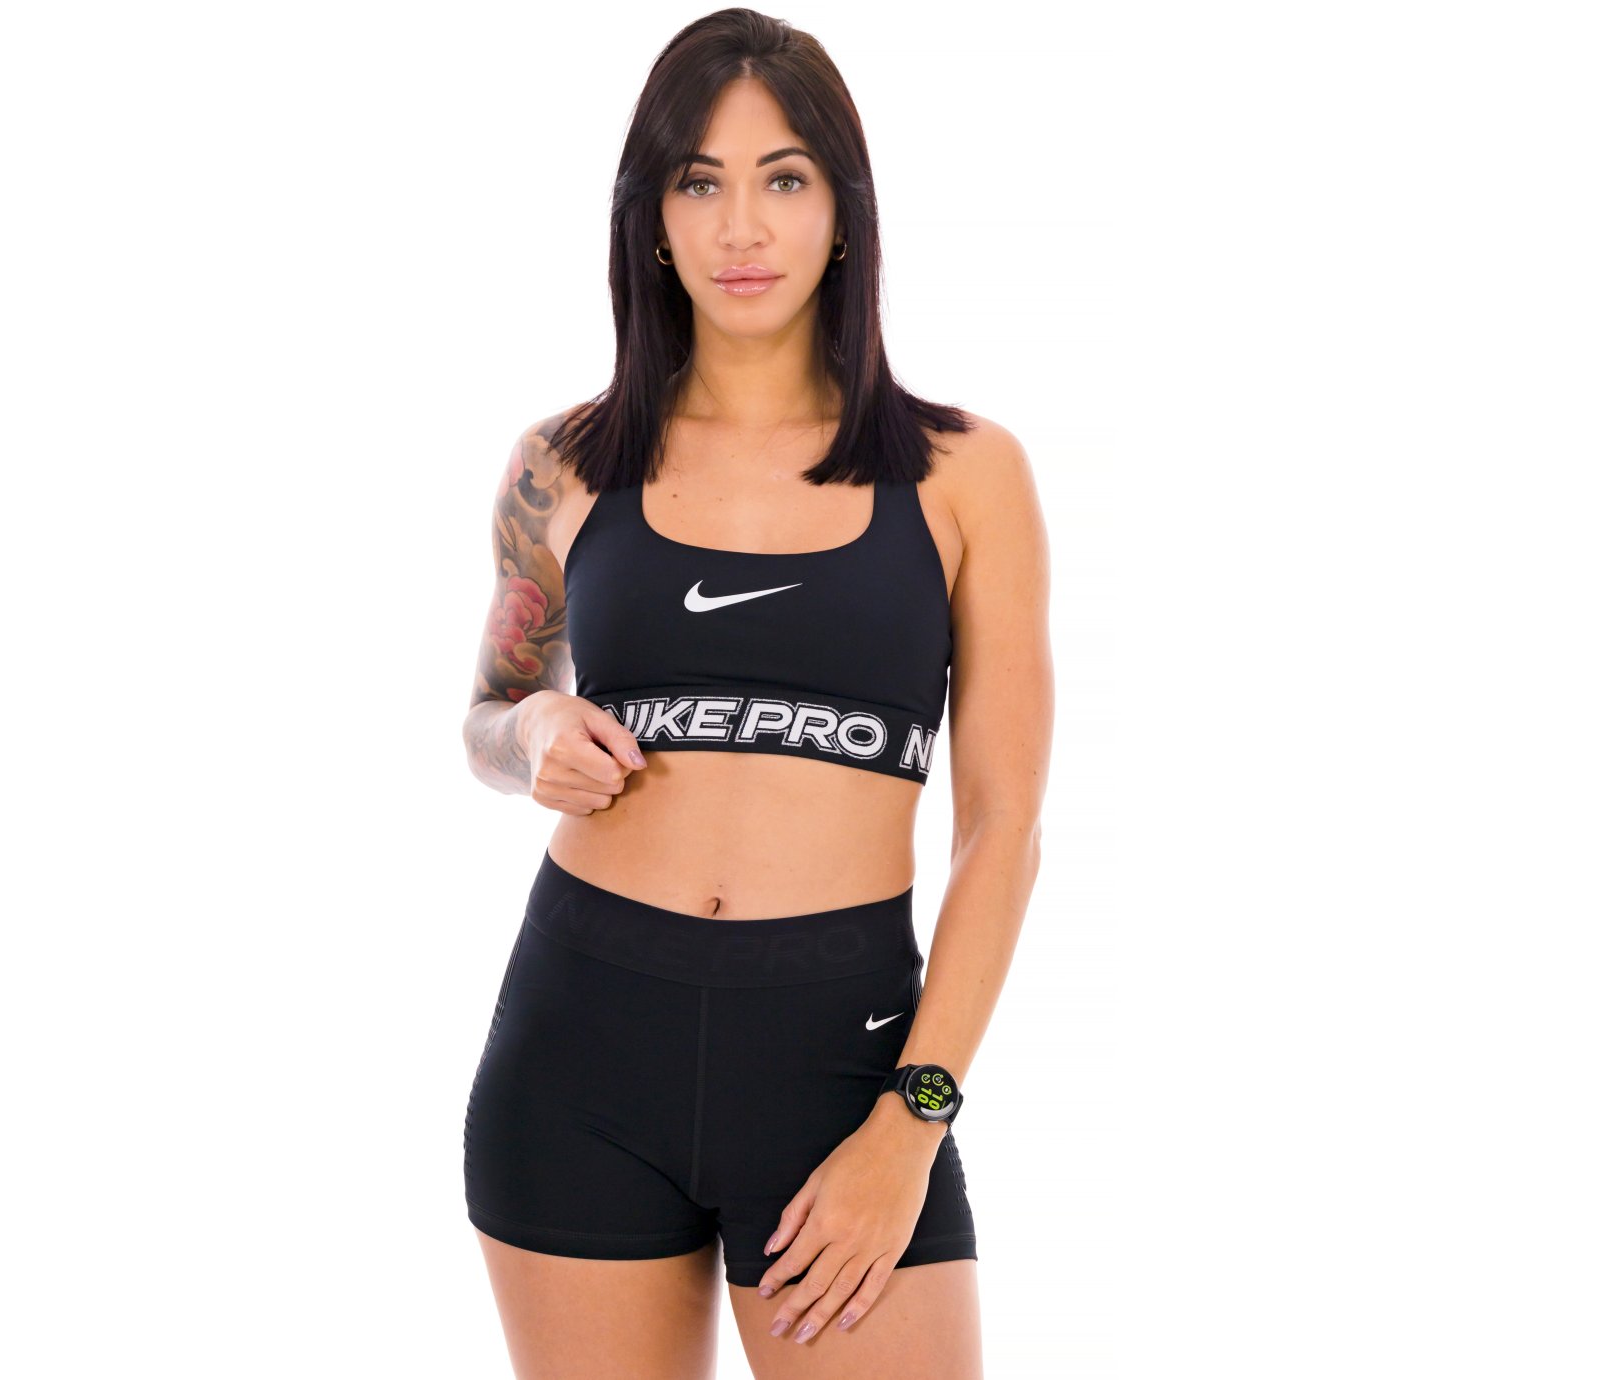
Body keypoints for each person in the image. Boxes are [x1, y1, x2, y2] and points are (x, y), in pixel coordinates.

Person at [458, 11, 1052, 1377]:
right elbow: (487, 712)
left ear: (842, 210)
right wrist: (533, 727)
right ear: (651, 216)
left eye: (783, 178)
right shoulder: (562, 463)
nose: (740, 227)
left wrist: (910, 1124)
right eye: (698, 181)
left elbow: (1003, 826)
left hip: (841, 1058)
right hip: (578, 1049)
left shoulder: (964, 474)